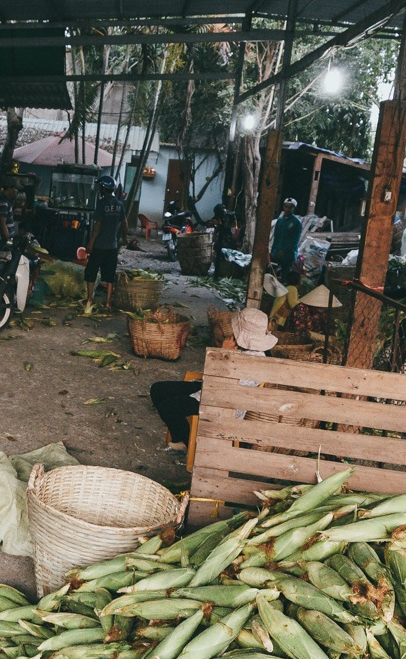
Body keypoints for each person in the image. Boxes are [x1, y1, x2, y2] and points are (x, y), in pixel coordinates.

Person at [149, 307, 278, 451]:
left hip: (221, 401)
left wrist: (223, 353)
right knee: (158, 389)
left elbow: (223, 385)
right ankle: (182, 434)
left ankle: (188, 444)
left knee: (168, 406)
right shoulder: (245, 348)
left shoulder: (256, 361)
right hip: (211, 387)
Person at [82, 173, 124, 311]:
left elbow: (97, 227)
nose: (99, 189)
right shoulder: (119, 204)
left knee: (91, 273)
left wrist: (90, 243)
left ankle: (89, 300)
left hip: (99, 245)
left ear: (104, 189)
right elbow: (125, 224)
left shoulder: (101, 204)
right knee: (109, 275)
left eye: (100, 187)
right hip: (112, 246)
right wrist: (122, 238)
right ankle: (107, 302)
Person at [270, 197, 303, 281]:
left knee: (285, 276)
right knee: (272, 274)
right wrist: (273, 250)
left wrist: (284, 251)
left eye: (290, 207)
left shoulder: (297, 222)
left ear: (294, 209)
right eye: (286, 207)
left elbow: (295, 241)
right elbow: (276, 237)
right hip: (277, 252)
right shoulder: (280, 220)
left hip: (288, 255)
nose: (287, 209)